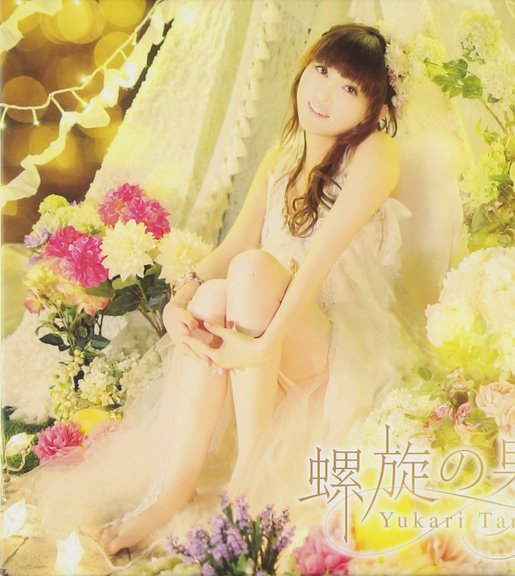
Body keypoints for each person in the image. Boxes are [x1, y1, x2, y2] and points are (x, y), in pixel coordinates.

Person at [23, 22, 414, 558]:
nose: (324, 94)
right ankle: (175, 488)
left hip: (334, 346)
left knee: (253, 271)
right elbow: (232, 247)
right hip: (268, 330)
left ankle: (251, 483)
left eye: (349, 88)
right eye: (322, 71)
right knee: (211, 297)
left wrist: (263, 345)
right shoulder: (282, 159)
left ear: (375, 108)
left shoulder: (375, 153)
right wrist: (178, 302)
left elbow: (317, 263)